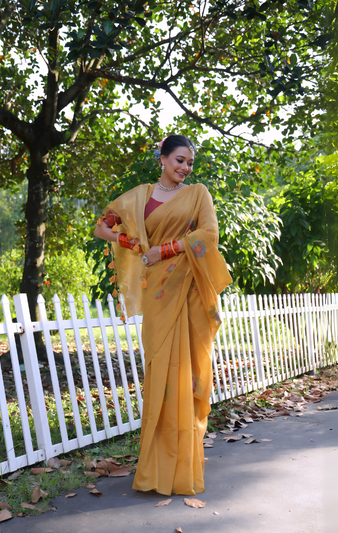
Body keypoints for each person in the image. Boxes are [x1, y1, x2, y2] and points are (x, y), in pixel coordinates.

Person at [94, 134, 231, 496]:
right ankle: (154, 469)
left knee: (186, 372)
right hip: (156, 291)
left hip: (186, 286)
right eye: (179, 160)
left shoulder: (198, 193)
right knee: (159, 372)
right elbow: (102, 227)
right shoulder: (138, 197)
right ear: (163, 158)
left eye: (189, 162)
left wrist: (164, 250)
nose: (185, 168)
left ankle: (182, 466)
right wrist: (129, 243)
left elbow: (209, 235)